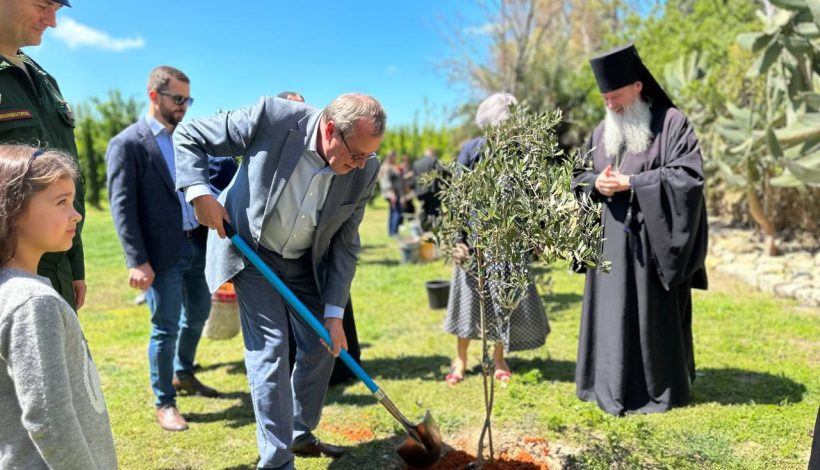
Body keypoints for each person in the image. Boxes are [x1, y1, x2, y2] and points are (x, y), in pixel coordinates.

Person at [174, 93, 385, 469]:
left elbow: (345, 243)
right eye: (355, 155)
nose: (359, 166)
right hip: (252, 251)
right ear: (330, 129)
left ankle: (298, 433)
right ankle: (276, 461)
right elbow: (190, 135)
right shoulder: (273, 118)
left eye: (367, 157)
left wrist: (334, 314)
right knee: (270, 351)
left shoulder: (365, 169)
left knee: (323, 343)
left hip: (303, 260)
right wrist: (199, 192)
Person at [572, 44, 708, 415]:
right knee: (610, 313)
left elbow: (688, 178)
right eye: (605, 98)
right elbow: (579, 175)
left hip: (651, 247)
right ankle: (606, 383)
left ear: (637, 86)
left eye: (615, 96)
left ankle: (656, 389)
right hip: (607, 246)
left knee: (650, 318)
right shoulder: (601, 132)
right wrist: (594, 182)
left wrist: (633, 183)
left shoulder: (672, 123)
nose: (611, 105)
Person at [106, 66, 219, 432]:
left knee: (199, 313)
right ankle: (164, 402)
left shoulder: (187, 139)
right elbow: (122, 206)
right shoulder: (128, 144)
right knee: (165, 327)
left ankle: (183, 373)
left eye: (188, 98)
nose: (185, 105)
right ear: (154, 96)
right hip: (161, 255)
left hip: (196, 246)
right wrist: (137, 260)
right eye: (178, 98)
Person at [0, 144, 117, 469]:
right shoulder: (32, 304)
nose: (76, 213)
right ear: (13, 209)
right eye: (61, 202)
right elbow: (50, 422)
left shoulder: (12, 290)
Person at [443, 93, 550, 385]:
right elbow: (457, 198)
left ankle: (498, 356)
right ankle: (461, 358)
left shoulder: (523, 154)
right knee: (468, 301)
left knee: (505, 302)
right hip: (474, 241)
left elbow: (532, 198)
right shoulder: (471, 150)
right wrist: (458, 238)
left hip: (509, 244)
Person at [0, 0, 86, 311]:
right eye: (42, 6)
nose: (52, 22)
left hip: (56, 265)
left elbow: (69, 179)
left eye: (57, 10)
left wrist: (75, 267)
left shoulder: (45, 80)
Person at [412, 147, 445, 231]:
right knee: (435, 209)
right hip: (432, 190)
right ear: (432, 153)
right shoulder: (434, 160)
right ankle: (435, 228)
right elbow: (442, 171)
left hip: (420, 191)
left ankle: (423, 226)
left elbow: (414, 178)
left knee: (424, 208)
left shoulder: (416, 163)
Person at [379, 151, 404, 237]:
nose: (396, 159)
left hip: (393, 192)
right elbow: (386, 181)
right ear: (391, 157)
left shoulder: (390, 166)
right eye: (395, 157)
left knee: (393, 211)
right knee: (397, 211)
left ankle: (392, 232)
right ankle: (394, 233)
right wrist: (391, 193)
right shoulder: (386, 167)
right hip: (392, 193)